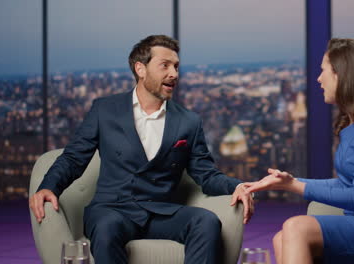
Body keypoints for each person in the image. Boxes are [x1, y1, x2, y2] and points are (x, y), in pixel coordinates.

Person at [29, 35, 254, 264]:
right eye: (165, 65)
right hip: (111, 210)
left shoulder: (189, 121)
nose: (174, 74)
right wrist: (49, 186)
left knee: (206, 221)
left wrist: (237, 186)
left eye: (176, 66)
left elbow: (206, 174)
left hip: (162, 212)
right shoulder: (104, 110)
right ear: (141, 69)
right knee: (106, 230)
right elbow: (74, 158)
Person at [245, 38, 354, 264]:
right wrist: (289, 181)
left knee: (296, 227)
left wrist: (295, 186)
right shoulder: (350, 126)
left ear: (342, 74)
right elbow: (346, 185)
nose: (318, 79)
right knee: (280, 238)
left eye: (323, 71)